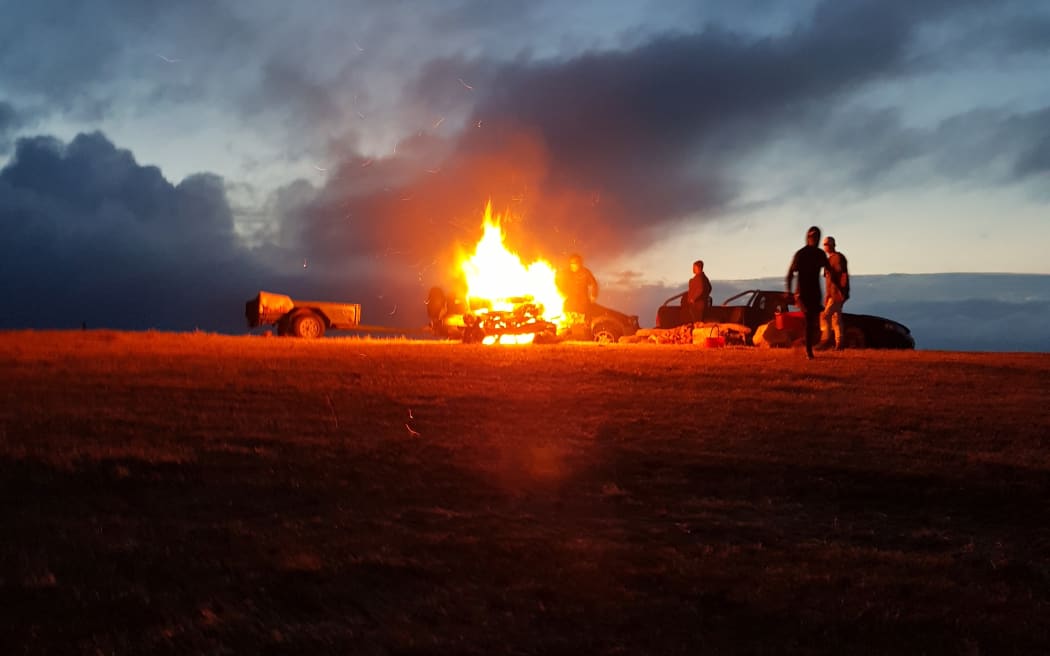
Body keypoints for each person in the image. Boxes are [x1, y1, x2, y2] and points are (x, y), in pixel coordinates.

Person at [785, 226, 829, 359]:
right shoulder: (801, 254)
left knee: (813, 322)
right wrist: (789, 292)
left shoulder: (820, 254)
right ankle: (809, 351)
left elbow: (829, 270)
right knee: (809, 320)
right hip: (802, 293)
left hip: (815, 293)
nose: (814, 240)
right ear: (808, 238)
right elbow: (790, 274)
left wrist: (835, 288)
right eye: (812, 237)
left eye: (816, 237)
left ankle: (803, 343)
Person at [819, 236, 850, 350]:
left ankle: (825, 340)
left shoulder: (837, 258)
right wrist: (827, 296)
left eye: (826, 245)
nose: (825, 247)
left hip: (837, 294)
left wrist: (842, 292)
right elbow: (828, 281)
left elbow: (842, 275)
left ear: (831, 245)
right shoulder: (829, 260)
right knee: (836, 319)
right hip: (833, 294)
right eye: (825, 245)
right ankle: (839, 343)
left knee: (825, 316)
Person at [558, 253, 599, 321]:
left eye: (575, 264)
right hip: (570, 301)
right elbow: (560, 283)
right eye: (572, 264)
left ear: (579, 264)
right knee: (567, 320)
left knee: (582, 321)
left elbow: (594, 284)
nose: (573, 266)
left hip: (582, 301)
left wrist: (593, 295)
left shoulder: (585, 272)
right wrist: (562, 293)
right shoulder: (566, 273)